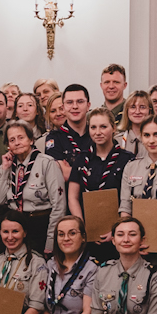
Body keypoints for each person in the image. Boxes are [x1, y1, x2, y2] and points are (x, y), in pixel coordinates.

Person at [0, 120, 65, 255]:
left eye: (21, 137)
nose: (17, 142)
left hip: (39, 225)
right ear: (8, 145)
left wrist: (51, 241)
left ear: (31, 140)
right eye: (12, 140)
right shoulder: (9, 166)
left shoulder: (46, 163)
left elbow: (59, 205)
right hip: (14, 227)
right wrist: (4, 169)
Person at [65, 108, 125, 256]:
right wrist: (83, 228)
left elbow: (129, 201)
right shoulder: (82, 158)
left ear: (114, 128)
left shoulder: (126, 159)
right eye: (93, 127)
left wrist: (117, 229)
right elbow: (72, 196)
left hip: (118, 234)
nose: (98, 132)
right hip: (87, 232)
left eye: (103, 127)